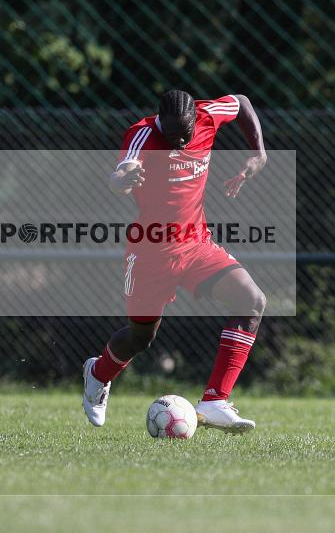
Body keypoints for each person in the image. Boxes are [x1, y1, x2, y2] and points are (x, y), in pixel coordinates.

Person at [82, 90, 268, 434]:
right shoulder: (142, 134)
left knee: (252, 300)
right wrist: (122, 181)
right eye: (170, 134)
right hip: (151, 252)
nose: (178, 141)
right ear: (158, 123)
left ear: (195, 120)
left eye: (184, 134)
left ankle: (214, 400)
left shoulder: (208, 114)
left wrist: (259, 153)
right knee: (141, 338)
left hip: (196, 243)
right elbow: (121, 172)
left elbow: (242, 102)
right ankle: (98, 372)